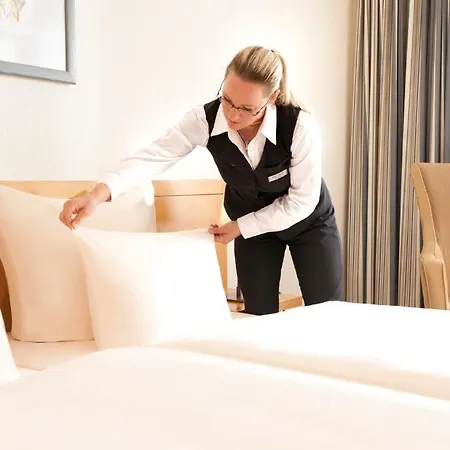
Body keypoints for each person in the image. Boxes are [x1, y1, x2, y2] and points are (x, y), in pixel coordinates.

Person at [59, 45, 344, 315]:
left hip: (308, 222)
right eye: (227, 100)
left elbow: (301, 201)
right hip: (251, 229)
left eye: (247, 108)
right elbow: (155, 155)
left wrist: (241, 226)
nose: (232, 115)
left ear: (272, 98)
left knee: (327, 314)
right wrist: (96, 195)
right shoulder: (205, 119)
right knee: (257, 316)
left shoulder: (299, 126)